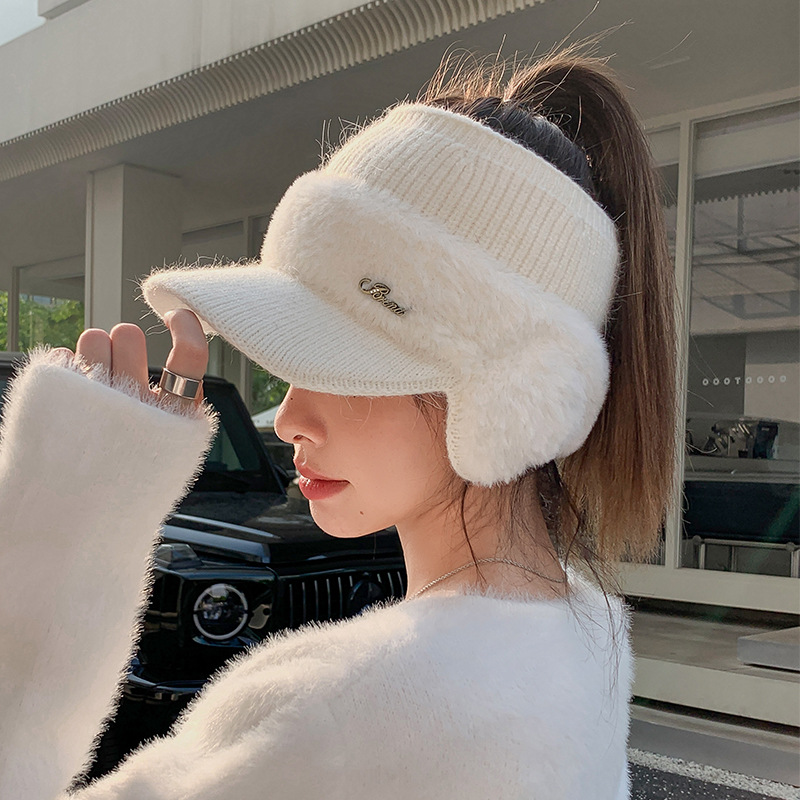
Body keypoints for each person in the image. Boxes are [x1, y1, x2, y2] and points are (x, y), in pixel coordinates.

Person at [0, 42, 677, 800]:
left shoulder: (340, 711)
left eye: (341, 365)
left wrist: (65, 528)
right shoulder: (584, 635)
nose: (290, 418)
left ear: (514, 397)